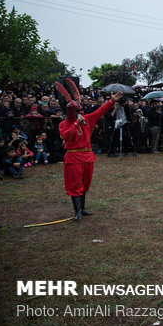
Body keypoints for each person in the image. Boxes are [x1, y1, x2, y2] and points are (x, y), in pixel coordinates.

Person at [55, 79, 123, 220]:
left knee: (85, 183)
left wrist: (111, 102)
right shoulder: (64, 124)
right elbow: (67, 136)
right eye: (78, 111)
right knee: (75, 184)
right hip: (73, 157)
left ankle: (83, 208)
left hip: (87, 156)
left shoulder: (87, 119)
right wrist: (76, 124)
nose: (81, 112)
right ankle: (77, 211)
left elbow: (99, 112)